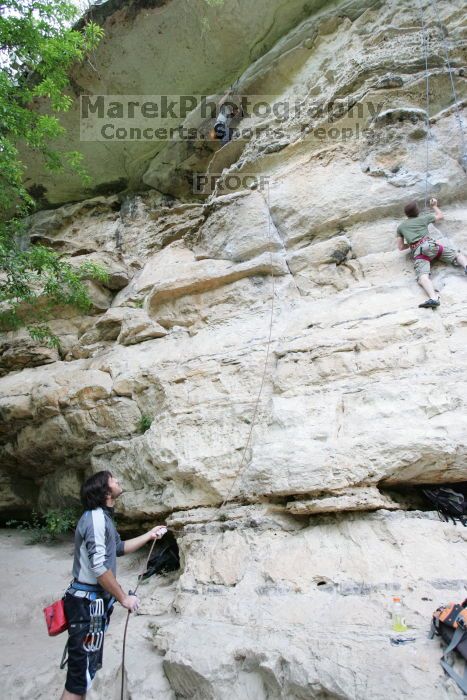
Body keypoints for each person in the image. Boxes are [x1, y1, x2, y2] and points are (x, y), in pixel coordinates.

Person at [60, 471, 167, 700]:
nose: (118, 480)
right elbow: (99, 569)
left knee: (86, 672)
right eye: (113, 479)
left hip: (93, 606)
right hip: (85, 606)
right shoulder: (95, 518)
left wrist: (149, 535)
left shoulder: (103, 518)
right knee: (78, 680)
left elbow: (118, 547)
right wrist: (123, 598)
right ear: (105, 490)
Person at [396, 198, 467, 308]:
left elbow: (400, 247)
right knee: (456, 255)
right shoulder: (424, 218)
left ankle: (434, 298)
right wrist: (434, 205)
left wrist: (412, 244)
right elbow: (440, 216)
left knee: (423, 277)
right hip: (432, 246)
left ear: (406, 214)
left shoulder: (401, 227)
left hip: (420, 252)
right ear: (417, 212)